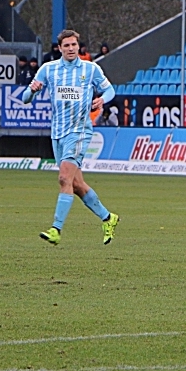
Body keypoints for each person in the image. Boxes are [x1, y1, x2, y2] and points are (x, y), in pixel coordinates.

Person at [22, 29, 120, 246]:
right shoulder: (49, 70)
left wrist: (102, 99)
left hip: (79, 131)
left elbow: (110, 90)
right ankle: (107, 217)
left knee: (64, 178)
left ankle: (56, 228)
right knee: (76, 184)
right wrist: (32, 90)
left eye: (74, 45)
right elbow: (25, 98)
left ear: (78, 46)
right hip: (57, 132)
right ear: (60, 48)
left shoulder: (90, 68)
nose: (71, 48)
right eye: (66, 45)